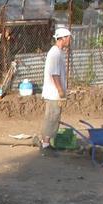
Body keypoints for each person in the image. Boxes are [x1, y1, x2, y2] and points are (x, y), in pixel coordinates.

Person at [40, 27, 71, 157]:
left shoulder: (57, 52)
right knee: (52, 117)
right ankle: (45, 144)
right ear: (63, 38)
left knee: (54, 117)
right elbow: (55, 74)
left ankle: (45, 142)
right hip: (53, 92)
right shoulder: (55, 53)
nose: (70, 40)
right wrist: (60, 91)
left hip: (54, 92)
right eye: (69, 38)